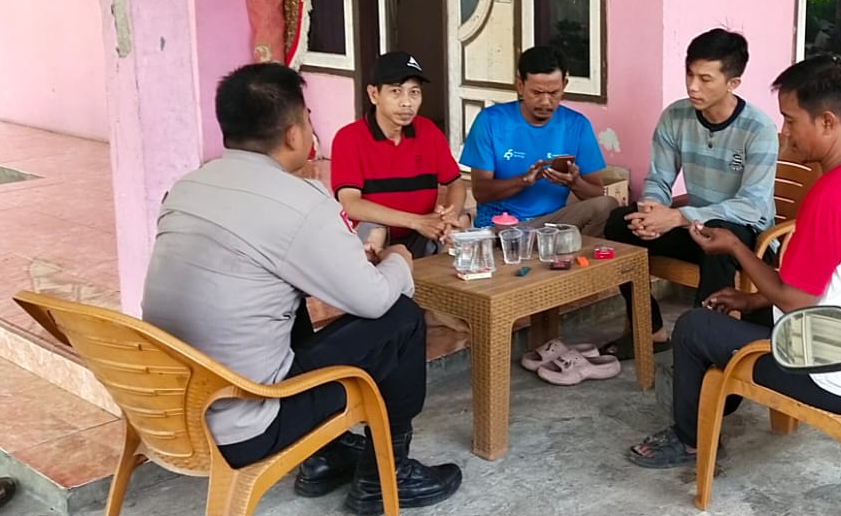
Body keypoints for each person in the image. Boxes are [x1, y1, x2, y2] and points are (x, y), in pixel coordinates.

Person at [142, 63, 461, 515]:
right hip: (248, 422)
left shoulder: (186, 187)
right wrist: (398, 259)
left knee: (284, 306)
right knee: (401, 318)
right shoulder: (301, 201)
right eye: (308, 118)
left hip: (169, 409)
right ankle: (385, 475)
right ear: (294, 134)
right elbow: (372, 300)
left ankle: (323, 456)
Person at [624, 54, 841, 469]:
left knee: (692, 328)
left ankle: (689, 438)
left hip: (831, 371)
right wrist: (754, 300)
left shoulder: (831, 196)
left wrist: (735, 248)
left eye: (791, 120)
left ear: (827, 122)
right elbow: (831, 283)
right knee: (734, 310)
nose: (785, 133)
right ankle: (714, 396)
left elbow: (796, 301)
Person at [601, 29, 780, 359]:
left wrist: (678, 217)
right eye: (689, 74)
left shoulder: (758, 129)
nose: (693, 86)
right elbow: (659, 178)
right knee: (619, 223)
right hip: (693, 227)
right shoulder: (676, 116)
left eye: (705, 79)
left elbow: (751, 207)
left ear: (733, 83)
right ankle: (648, 328)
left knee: (720, 239)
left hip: (746, 238)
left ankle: (702, 350)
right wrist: (651, 211)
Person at [460, 46, 618, 234]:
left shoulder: (577, 125)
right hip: (503, 226)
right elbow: (480, 192)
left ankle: (563, 247)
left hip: (551, 225)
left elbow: (597, 193)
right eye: (537, 93)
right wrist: (523, 181)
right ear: (520, 86)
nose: (545, 102)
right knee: (512, 237)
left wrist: (574, 182)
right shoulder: (490, 121)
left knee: (606, 205)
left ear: (564, 85)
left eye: (553, 93)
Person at [331, 51, 468, 258]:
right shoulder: (349, 138)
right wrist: (416, 221)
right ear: (374, 95)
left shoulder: (428, 131)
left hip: (420, 232)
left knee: (461, 221)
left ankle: (438, 278)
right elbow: (350, 204)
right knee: (376, 231)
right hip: (374, 237)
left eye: (414, 92)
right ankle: (375, 278)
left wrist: (451, 214)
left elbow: (456, 183)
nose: (407, 102)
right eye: (396, 92)